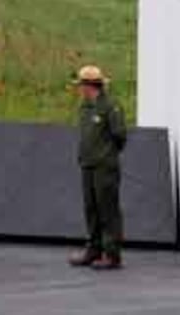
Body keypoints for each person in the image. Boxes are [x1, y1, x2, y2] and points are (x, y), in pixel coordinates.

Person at [68, 65, 127, 270]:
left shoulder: (110, 106)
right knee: (91, 209)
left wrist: (106, 155)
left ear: (90, 85)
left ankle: (112, 255)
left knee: (107, 210)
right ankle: (93, 250)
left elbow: (120, 136)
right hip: (87, 165)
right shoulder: (84, 107)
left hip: (104, 167)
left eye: (81, 85)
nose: (78, 89)